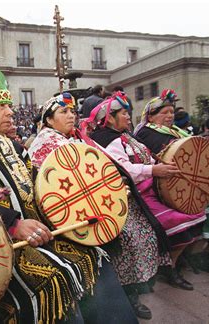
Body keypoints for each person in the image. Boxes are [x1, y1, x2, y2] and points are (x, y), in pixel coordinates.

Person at [0, 69, 137, 323]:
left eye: (10, 105)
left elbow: (41, 186)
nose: (11, 111)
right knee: (57, 278)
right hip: (2, 246)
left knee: (94, 258)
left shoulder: (12, 145)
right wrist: (13, 224)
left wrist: (94, 194)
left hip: (41, 230)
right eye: (2, 106)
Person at [28, 93, 170, 320]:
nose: (71, 116)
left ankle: (128, 296)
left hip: (94, 209)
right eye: (63, 112)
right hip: (68, 222)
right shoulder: (46, 143)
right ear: (48, 120)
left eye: (73, 111)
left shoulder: (76, 138)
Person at [87, 92, 206, 292]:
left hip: (152, 189)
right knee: (177, 222)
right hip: (136, 196)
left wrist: (164, 165)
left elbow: (147, 158)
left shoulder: (126, 136)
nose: (128, 117)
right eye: (123, 113)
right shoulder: (107, 140)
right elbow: (124, 169)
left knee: (196, 212)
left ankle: (169, 265)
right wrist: (153, 170)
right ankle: (163, 270)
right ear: (109, 118)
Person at [134, 89, 190, 154]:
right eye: (164, 112)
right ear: (150, 118)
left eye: (172, 112)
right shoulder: (145, 134)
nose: (170, 116)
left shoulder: (176, 131)